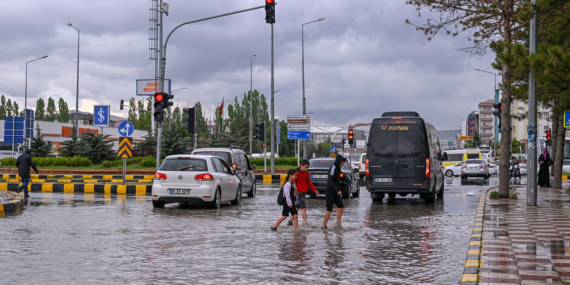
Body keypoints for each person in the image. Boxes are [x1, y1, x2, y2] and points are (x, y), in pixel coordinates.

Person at [287, 160, 319, 226]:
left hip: (303, 192)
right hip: (298, 192)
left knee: (297, 208)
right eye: (306, 167)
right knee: (303, 207)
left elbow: (309, 183)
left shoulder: (306, 173)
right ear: (301, 166)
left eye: (307, 168)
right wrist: (293, 192)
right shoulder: (297, 173)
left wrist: (315, 190)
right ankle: (305, 222)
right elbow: (293, 183)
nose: (307, 169)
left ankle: (290, 221)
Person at [322, 155, 346, 229]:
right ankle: (324, 226)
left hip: (336, 192)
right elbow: (330, 180)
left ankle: (337, 224)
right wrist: (337, 190)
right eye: (342, 163)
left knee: (341, 206)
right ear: (338, 161)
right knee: (329, 209)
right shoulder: (333, 167)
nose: (343, 164)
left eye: (343, 163)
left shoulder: (338, 169)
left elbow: (337, 180)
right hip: (330, 191)